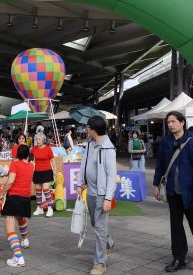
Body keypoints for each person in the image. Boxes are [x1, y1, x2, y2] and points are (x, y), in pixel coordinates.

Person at [153, 111, 193, 273]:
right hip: (173, 193)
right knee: (176, 227)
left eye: (173, 121)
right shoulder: (165, 142)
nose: (170, 124)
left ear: (182, 122)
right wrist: (156, 185)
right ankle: (179, 258)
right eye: (168, 122)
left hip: (191, 194)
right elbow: (160, 166)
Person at [76, 116, 117, 275]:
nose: (86, 130)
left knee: (99, 228)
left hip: (101, 195)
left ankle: (99, 263)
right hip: (90, 193)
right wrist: (80, 183)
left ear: (93, 129)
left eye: (87, 127)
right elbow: (83, 165)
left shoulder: (108, 149)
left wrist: (108, 198)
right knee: (96, 224)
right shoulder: (90, 144)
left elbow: (112, 176)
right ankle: (109, 242)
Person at [0, 144, 34, 267]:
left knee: (10, 229)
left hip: (14, 198)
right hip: (26, 199)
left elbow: (11, 181)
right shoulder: (31, 166)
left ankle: (19, 257)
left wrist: (3, 193)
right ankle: (24, 240)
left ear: (17, 154)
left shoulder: (15, 164)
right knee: (20, 218)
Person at [31, 133, 56, 217]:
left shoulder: (48, 149)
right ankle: (39, 208)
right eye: (37, 139)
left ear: (43, 140)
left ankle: (50, 208)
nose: (37, 141)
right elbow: (30, 160)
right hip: (37, 172)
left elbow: (52, 160)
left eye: (39, 139)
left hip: (47, 171)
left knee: (46, 190)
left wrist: (55, 171)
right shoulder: (33, 149)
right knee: (38, 191)